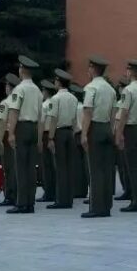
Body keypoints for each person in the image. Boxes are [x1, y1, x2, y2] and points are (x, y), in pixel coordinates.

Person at [6, 55, 44, 213]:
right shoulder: (37, 91)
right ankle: (30, 202)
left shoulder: (19, 89)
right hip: (34, 128)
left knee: (21, 167)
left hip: (22, 127)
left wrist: (11, 132)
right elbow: (41, 117)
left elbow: (14, 111)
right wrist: (40, 138)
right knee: (31, 168)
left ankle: (21, 203)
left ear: (22, 70)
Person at [82, 56, 118, 217]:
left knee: (95, 169)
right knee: (106, 169)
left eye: (89, 68)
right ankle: (106, 205)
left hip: (95, 128)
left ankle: (96, 207)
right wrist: (111, 129)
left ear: (92, 69)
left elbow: (88, 111)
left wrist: (84, 133)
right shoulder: (110, 89)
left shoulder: (91, 88)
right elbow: (113, 112)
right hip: (106, 127)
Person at [116, 59, 137, 211]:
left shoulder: (128, 90)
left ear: (130, 72)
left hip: (130, 129)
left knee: (133, 167)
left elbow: (124, 113)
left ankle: (136, 201)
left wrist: (119, 133)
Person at [47, 69, 78, 209]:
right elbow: (74, 119)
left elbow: (53, 119)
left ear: (59, 82)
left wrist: (50, 137)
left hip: (59, 133)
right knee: (69, 167)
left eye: (55, 80)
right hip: (70, 133)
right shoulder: (73, 98)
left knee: (60, 167)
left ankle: (60, 200)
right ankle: (69, 199)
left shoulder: (55, 99)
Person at [0, 73, 19, 207]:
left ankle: (10, 195)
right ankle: (17, 193)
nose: (5, 87)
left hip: (7, 135)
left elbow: (2, 121)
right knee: (17, 166)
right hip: (18, 134)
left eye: (6, 85)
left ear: (9, 87)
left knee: (8, 167)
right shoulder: (19, 101)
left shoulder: (5, 103)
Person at [38, 79, 57, 203]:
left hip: (45, 135)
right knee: (54, 165)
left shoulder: (44, 105)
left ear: (45, 91)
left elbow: (41, 123)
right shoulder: (55, 103)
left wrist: (39, 139)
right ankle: (54, 191)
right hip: (54, 134)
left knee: (46, 165)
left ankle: (48, 192)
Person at [71, 83, 89, 199]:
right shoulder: (83, 107)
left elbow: (73, 122)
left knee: (77, 166)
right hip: (85, 134)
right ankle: (85, 188)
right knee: (85, 164)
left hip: (77, 135)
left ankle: (79, 190)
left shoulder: (74, 108)